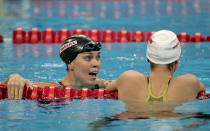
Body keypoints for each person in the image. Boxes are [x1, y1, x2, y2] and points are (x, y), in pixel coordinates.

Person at [106, 30, 206, 113]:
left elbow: (107, 88)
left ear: (148, 59)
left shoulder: (127, 78)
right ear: (177, 60)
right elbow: (203, 90)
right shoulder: (189, 82)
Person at [3, 34, 109, 100]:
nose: (96, 63)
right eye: (88, 58)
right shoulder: (47, 89)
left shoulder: (102, 85)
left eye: (97, 58)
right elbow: (13, 85)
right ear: (70, 63)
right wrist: (14, 77)